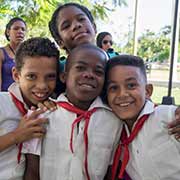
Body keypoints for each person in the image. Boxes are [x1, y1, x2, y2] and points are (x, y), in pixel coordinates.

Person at [27, 44, 121, 180]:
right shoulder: (40, 117)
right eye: (80, 68)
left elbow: (109, 172)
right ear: (64, 76)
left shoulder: (114, 122)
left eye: (98, 71)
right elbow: (32, 171)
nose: (89, 75)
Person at [104, 54, 180, 179]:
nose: (122, 94)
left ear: (147, 91)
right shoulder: (116, 133)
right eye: (113, 88)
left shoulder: (166, 116)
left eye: (131, 85)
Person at [0, 37, 60, 180]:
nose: (42, 86)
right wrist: (16, 135)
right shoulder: (2, 102)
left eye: (50, 77)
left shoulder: (52, 110)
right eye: (31, 76)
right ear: (16, 75)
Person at [0, 17, 27, 91]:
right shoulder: (2, 53)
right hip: (5, 97)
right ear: (8, 32)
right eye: (16, 28)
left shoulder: (27, 54)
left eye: (23, 29)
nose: (20, 31)